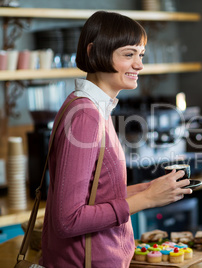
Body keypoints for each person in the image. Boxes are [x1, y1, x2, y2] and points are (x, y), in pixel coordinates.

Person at [40, 11, 192, 267]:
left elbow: (96, 196)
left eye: (140, 55)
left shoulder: (92, 108)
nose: (139, 65)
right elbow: (67, 220)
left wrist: (149, 188)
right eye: (128, 54)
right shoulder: (86, 115)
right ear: (94, 51)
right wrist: (147, 199)